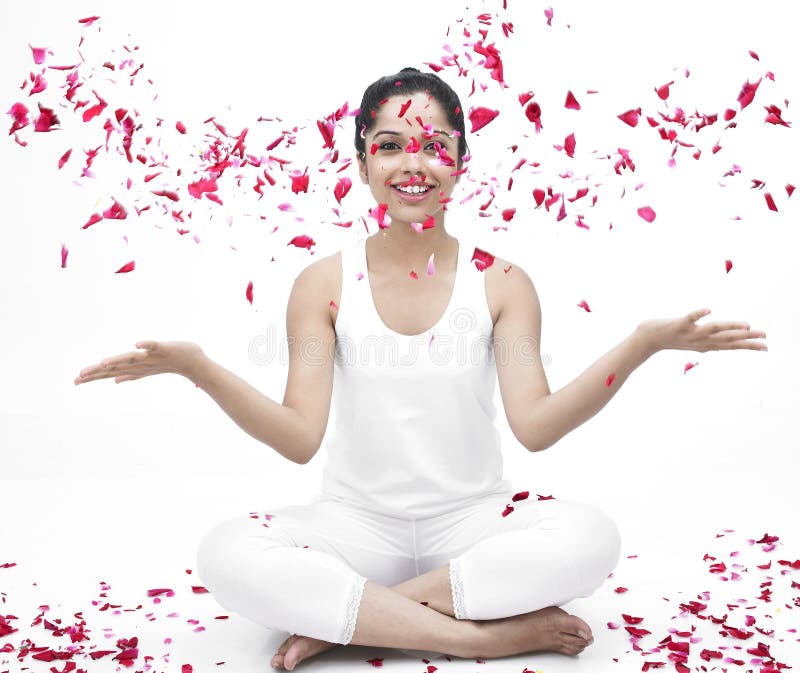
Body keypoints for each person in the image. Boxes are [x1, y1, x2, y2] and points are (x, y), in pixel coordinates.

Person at [73, 67, 768, 671]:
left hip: (472, 524)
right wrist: (198, 366)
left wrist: (639, 345)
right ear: (362, 162)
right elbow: (298, 436)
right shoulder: (324, 282)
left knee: (593, 536)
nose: (415, 163)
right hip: (355, 527)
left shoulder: (502, 283)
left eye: (436, 146)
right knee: (226, 552)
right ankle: (479, 640)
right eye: (391, 144)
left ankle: (349, 626)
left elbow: (537, 425)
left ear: (462, 163)